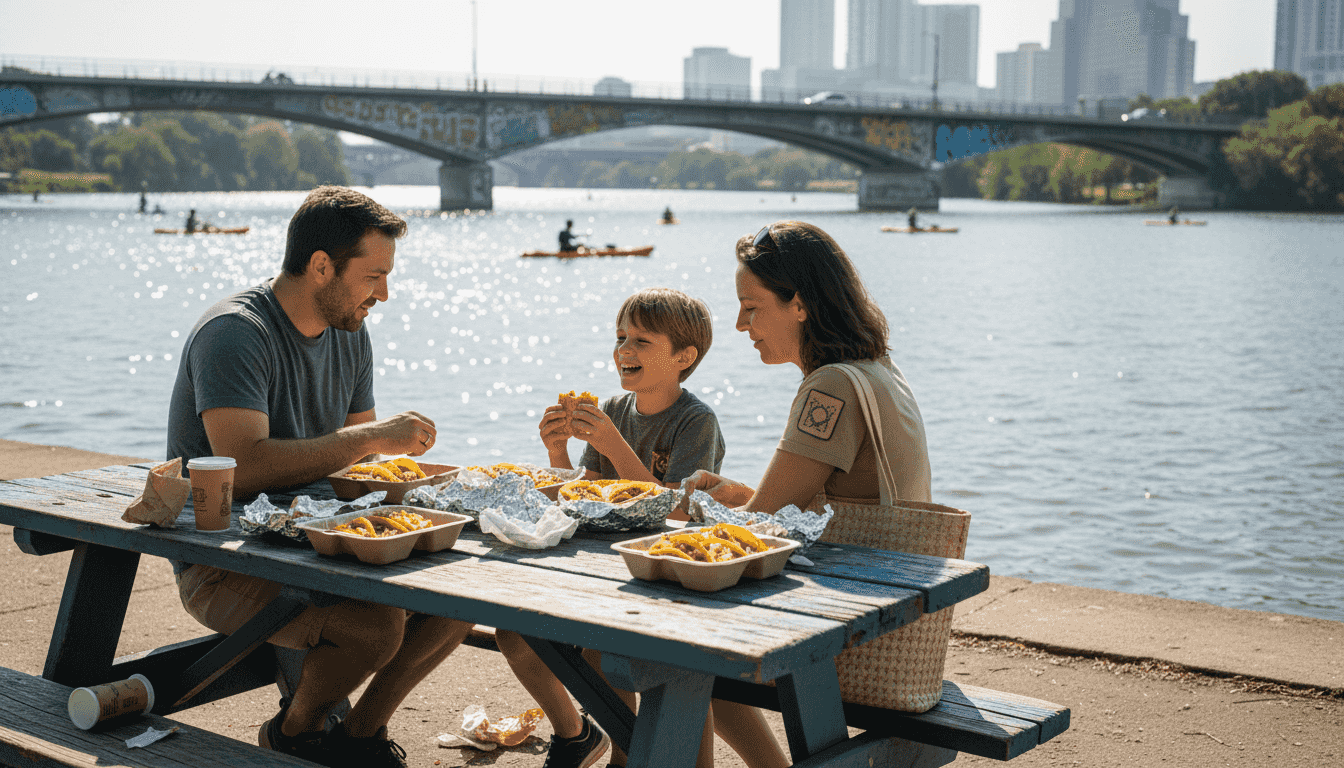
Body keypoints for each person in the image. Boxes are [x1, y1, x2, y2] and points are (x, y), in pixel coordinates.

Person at [165, 186, 473, 768]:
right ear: (322, 266)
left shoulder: (351, 332)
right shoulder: (235, 333)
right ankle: (295, 733)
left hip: (319, 540)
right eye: (374, 276)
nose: (384, 294)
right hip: (223, 558)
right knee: (377, 629)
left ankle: (358, 735)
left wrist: (424, 488)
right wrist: (377, 437)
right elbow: (247, 467)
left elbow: (359, 467)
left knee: (459, 596)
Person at [681, 220, 932, 768]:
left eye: (751, 306)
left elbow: (755, 523)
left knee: (681, 653)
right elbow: (817, 501)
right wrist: (739, 493)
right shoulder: (877, 369)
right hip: (890, 602)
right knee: (697, 654)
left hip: (858, 626)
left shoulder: (830, 386)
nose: (741, 324)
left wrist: (684, 506)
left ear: (799, 304)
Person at [496, 287, 725, 768]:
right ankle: (591, 740)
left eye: (642, 341)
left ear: (684, 357)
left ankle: (630, 756)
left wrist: (614, 443)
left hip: (669, 576)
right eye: (621, 337)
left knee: (613, 650)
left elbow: (677, 513)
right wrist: (557, 453)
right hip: (603, 565)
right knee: (513, 632)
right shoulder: (615, 411)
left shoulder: (695, 421)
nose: (624, 350)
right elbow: (587, 490)